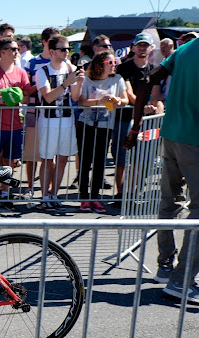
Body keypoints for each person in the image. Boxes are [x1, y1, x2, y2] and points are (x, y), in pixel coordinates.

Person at [124, 38, 199, 303]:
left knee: (170, 201)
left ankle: (166, 267)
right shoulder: (185, 49)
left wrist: (135, 126)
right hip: (193, 140)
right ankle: (182, 280)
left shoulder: (185, 49)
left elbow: (147, 81)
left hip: (171, 136)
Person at [34, 35, 84, 211]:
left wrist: (79, 83)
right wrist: (66, 83)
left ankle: (54, 194)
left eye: (68, 49)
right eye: (63, 49)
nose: (66, 52)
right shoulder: (42, 71)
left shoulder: (71, 67)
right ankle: (44, 195)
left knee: (63, 158)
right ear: (52, 51)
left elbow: (75, 97)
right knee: (47, 159)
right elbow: (48, 97)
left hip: (67, 119)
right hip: (48, 121)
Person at [0, 38, 30, 210]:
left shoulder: (21, 72)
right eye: (12, 49)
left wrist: (18, 97)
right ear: (2, 52)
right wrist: (6, 97)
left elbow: (26, 96)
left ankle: (4, 193)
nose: (16, 52)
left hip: (15, 124)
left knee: (9, 161)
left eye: (17, 49)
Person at [77, 51, 128, 213]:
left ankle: (95, 197)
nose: (114, 65)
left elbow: (125, 99)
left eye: (115, 62)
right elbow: (82, 101)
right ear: (101, 64)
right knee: (85, 162)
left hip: (106, 125)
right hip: (87, 124)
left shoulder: (117, 79)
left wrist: (118, 100)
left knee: (100, 162)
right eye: (110, 62)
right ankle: (84, 198)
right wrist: (100, 100)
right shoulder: (87, 79)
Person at [113, 32, 156, 200]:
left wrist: (155, 108)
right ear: (133, 47)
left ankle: (132, 192)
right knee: (122, 157)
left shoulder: (154, 69)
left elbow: (156, 94)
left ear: (151, 48)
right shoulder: (124, 68)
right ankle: (121, 193)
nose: (142, 48)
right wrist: (143, 107)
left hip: (146, 120)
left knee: (143, 159)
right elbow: (129, 92)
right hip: (125, 118)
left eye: (145, 45)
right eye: (139, 45)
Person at [24, 27, 61, 199]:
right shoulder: (32, 63)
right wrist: (40, 87)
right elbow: (26, 89)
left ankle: (47, 190)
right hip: (35, 111)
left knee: (50, 153)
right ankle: (31, 188)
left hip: (54, 114)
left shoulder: (63, 64)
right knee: (32, 154)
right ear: (45, 42)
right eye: (54, 40)